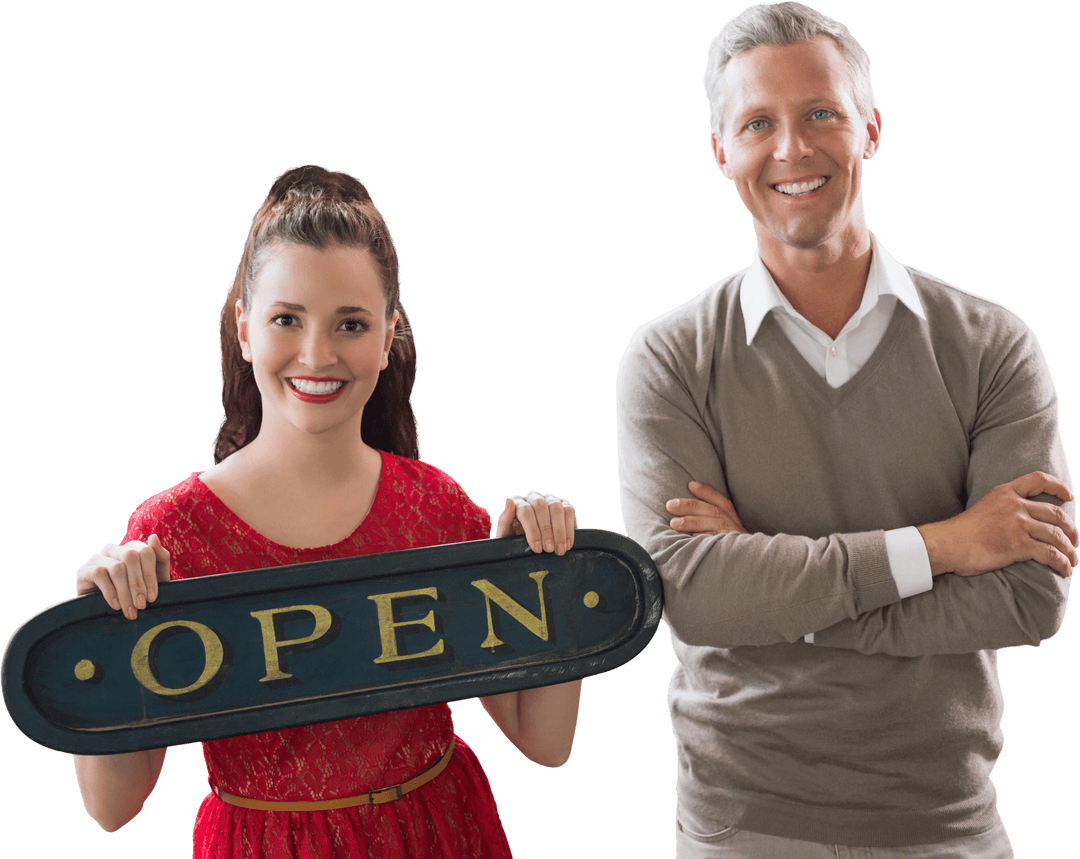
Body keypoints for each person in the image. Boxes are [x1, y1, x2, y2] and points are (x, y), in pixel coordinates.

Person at [615, 4, 1076, 858]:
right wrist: (943, 545)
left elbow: (1029, 596)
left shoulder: (994, 345)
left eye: (820, 112)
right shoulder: (669, 357)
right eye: (758, 122)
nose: (792, 148)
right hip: (742, 825)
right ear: (722, 152)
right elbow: (695, 593)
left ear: (869, 126)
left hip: (947, 824)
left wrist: (775, 583)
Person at [71, 165, 582, 858]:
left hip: (440, 831)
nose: (318, 354)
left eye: (350, 323)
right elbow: (112, 806)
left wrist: (552, 572)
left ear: (388, 334)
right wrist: (97, 633)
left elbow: (545, 741)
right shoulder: (170, 534)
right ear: (245, 328)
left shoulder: (436, 506)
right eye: (288, 319)